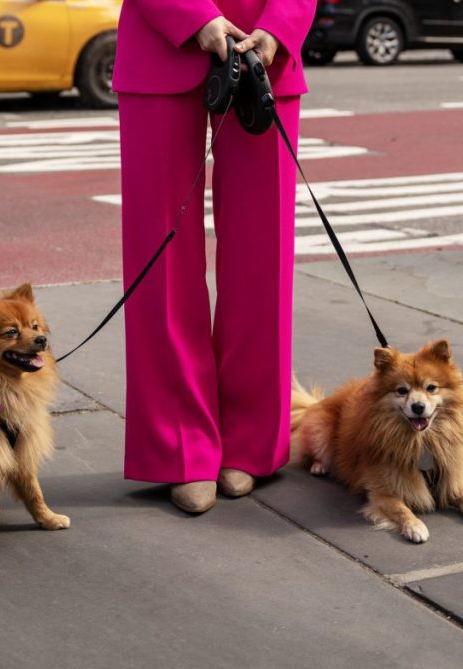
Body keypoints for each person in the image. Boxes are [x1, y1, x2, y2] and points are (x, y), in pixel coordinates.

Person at [113, 0, 316, 513]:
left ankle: (250, 441)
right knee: (160, 264)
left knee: (262, 261)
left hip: (265, 51)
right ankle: (179, 445)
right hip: (160, 40)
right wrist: (193, 17)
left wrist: (279, 28)